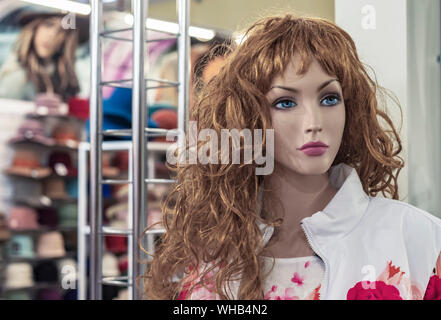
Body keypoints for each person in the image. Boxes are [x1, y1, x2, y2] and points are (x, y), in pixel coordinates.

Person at [142, 14, 441, 300]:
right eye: (285, 102)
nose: (314, 121)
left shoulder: (418, 238)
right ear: (249, 118)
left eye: (329, 98)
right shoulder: (212, 254)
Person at [0, 8, 88, 102]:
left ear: (66, 38)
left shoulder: (65, 76)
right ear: (35, 27)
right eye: (48, 25)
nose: (52, 35)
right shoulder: (17, 75)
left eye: (62, 30)